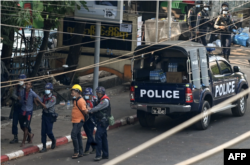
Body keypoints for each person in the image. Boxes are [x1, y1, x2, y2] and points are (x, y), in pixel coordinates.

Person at [88, 86, 111, 161]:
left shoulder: (105, 101)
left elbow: (97, 108)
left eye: (98, 93)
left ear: (101, 93)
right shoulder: (101, 99)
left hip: (103, 122)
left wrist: (89, 110)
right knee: (103, 138)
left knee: (98, 137)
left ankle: (98, 155)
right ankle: (105, 154)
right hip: (101, 121)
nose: (97, 94)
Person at [9, 74, 32, 144]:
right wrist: (17, 98)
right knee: (14, 123)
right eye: (19, 80)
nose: (20, 81)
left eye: (22, 80)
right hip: (16, 107)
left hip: (23, 108)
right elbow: (13, 94)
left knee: (24, 124)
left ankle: (29, 134)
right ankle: (15, 137)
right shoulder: (16, 87)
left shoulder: (27, 88)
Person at [35, 83, 57, 153]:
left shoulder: (53, 98)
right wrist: (36, 99)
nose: (46, 90)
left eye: (48, 89)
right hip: (44, 115)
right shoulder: (44, 96)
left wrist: (39, 101)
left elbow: (46, 106)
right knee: (43, 132)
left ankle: (53, 140)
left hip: (50, 116)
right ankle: (44, 146)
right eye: (46, 89)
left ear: (51, 90)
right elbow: (39, 103)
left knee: (49, 131)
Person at [19, 81, 39, 147]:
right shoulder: (22, 91)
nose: (28, 85)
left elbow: (38, 98)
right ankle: (30, 135)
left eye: (29, 84)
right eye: (27, 84)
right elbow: (20, 99)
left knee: (26, 126)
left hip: (29, 111)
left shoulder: (32, 93)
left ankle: (23, 142)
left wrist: (37, 102)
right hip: (22, 110)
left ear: (31, 86)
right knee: (22, 126)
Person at [71, 84, 88, 159]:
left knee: (73, 135)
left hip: (79, 121)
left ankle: (76, 152)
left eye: (73, 92)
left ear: (77, 92)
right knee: (78, 136)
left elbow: (84, 111)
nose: (72, 94)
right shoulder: (75, 99)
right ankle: (80, 152)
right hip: (75, 120)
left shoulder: (80, 100)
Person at [82, 87, 98, 156]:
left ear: (91, 95)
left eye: (88, 95)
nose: (86, 96)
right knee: (89, 135)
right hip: (85, 119)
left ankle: (87, 150)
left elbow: (98, 108)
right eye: (86, 94)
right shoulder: (83, 100)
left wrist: (91, 109)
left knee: (90, 134)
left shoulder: (95, 100)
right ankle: (94, 147)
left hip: (92, 119)